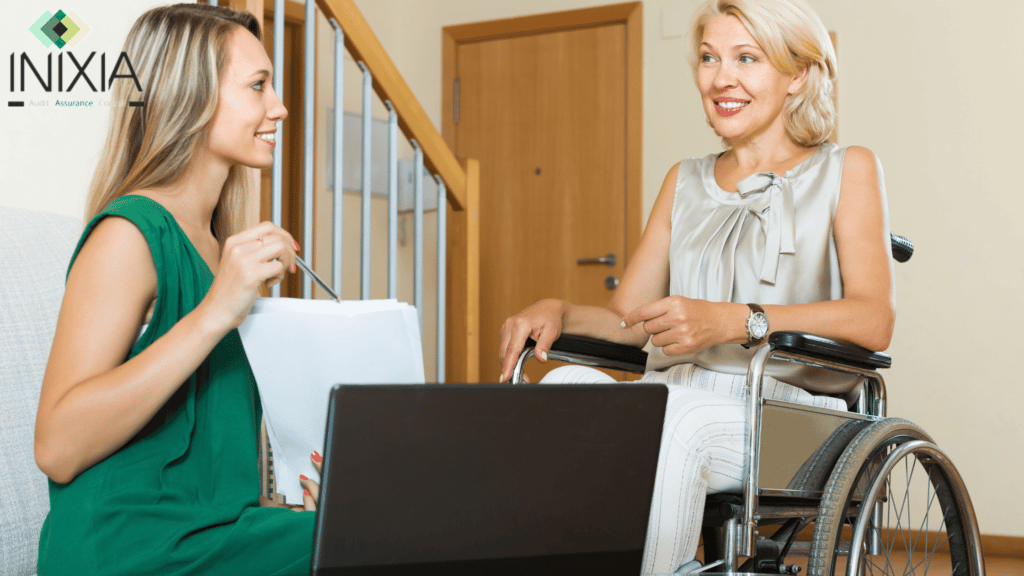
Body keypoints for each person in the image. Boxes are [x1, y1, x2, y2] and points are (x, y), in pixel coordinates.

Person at [497, 0, 895, 572]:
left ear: (798, 74)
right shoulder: (683, 181)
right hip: (679, 395)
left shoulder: (846, 168)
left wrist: (739, 319)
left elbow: (873, 318)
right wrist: (559, 309)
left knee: (676, 422)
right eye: (709, 58)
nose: (720, 77)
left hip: (800, 423)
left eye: (747, 58)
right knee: (564, 385)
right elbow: (630, 324)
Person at [34, 5, 321, 574]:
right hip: (125, 548)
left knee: (368, 530)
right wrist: (217, 310)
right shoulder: (130, 234)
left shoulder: (220, 251)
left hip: (205, 539)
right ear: (189, 97)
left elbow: (202, 469)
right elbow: (57, 448)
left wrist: (284, 512)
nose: (279, 107)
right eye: (258, 86)